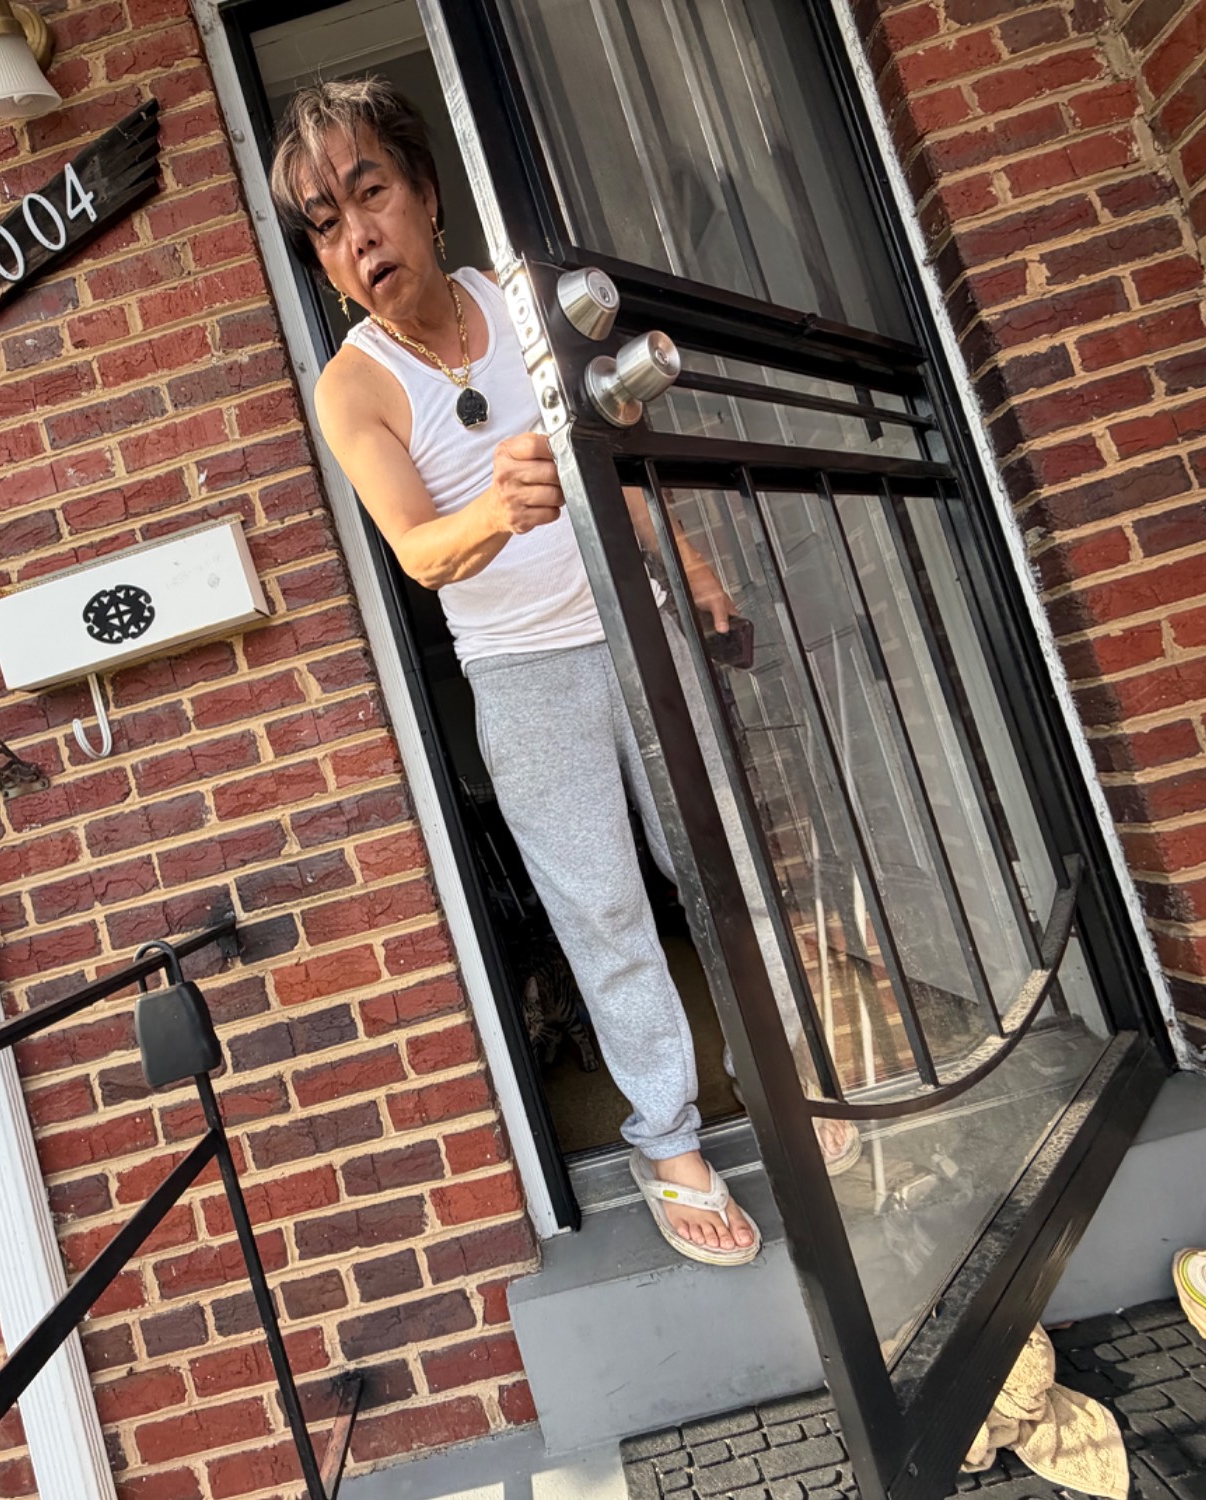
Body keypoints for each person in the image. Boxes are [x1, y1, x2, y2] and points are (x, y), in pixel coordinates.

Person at [267, 78, 854, 1266]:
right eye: (325, 225)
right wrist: (494, 508)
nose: (357, 238)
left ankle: (783, 1073)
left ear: (427, 193)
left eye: (369, 194)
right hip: (522, 675)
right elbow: (418, 551)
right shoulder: (353, 383)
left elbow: (613, 464)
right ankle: (665, 1136)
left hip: (635, 626)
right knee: (602, 909)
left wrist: (689, 564)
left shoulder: (521, 303)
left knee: (718, 865)